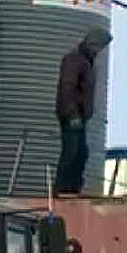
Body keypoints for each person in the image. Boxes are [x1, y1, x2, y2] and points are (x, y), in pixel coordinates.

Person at [53, 27, 112, 194]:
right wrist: (72, 113)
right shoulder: (74, 60)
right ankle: (63, 188)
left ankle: (72, 188)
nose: (99, 50)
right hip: (72, 115)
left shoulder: (86, 61)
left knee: (81, 152)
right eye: (99, 46)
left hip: (79, 115)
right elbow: (67, 87)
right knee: (72, 152)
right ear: (91, 43)